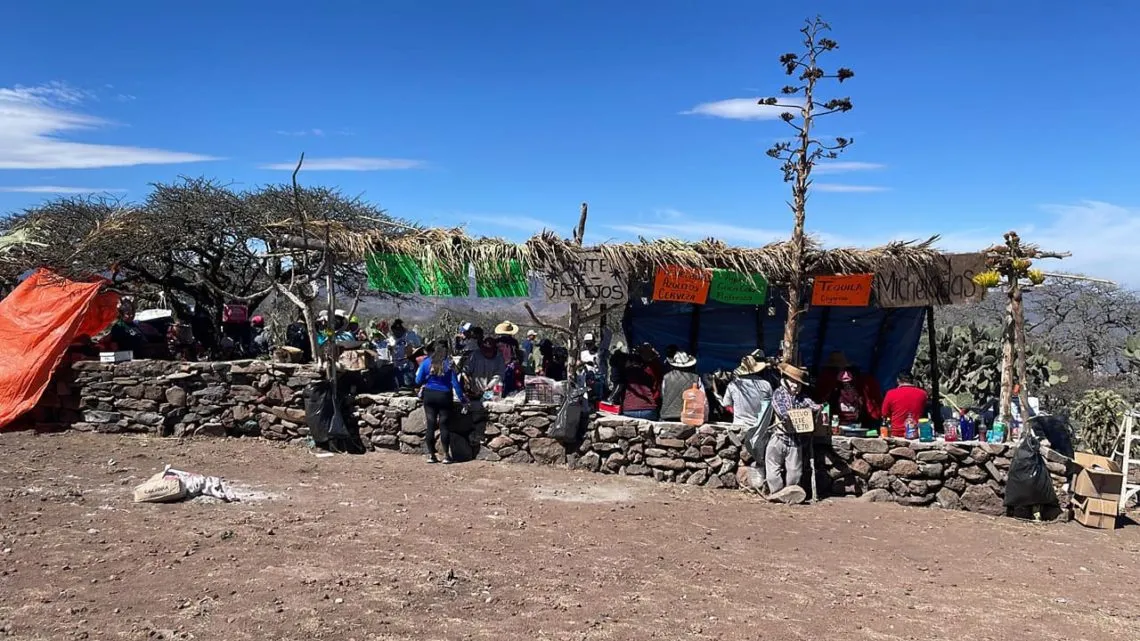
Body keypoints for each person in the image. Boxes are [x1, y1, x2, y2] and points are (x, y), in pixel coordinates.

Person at [766, 363, 819, 503]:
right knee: (773, 470)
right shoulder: (778, 393)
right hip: (779, 437)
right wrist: (791, 415)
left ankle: (790, 494)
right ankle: (776, 494)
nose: (795, 386)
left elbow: (813, 405)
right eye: (793, 382)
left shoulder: (802, 397)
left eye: (798, 383)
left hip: (795, 440)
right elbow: (781, 411)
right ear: (786, 380)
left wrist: (817, 408)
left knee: (795, 472)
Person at [415, 342, 468, 464]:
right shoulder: (448, 364)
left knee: (430, 425)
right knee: (444, 425)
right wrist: (463, 399)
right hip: (444, 396)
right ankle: (446, 456)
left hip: (429, 395)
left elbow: (418, 380)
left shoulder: (426, 362)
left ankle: (431, 455)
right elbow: (455, 384)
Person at [721, 350, 774, 427]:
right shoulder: (766, 385)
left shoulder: (733, 385)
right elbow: (770, 408)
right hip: (759, 427)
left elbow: (727, 405)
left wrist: (738, 412)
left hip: (738, 426)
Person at [621, 344, 664, 421]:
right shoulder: (650, 370)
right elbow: (656, 387)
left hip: (629, 408)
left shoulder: (626, 372)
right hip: (648, 408)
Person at [881, 371, 929, 437]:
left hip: (895, 433)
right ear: (912, 380)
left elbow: (884, 413)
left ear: (898, 380)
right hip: (915, 432)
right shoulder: (923, 394)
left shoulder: (890, 394)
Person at [659, 351, 700, 422]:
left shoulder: (666, 377)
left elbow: (663, 395)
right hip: (688, 416)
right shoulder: (696, 378)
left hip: (668, 415)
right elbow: (702, 399)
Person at [388, 319, 422, 388]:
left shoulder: (410, 335)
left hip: (408, 365)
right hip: (396, 365)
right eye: (393, 332)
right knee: (400, 386)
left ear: (401, 330)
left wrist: (411, 350)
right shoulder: (392, 338)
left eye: (397, 331)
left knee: (409, 385)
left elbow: (419, 346)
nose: (395, 333)